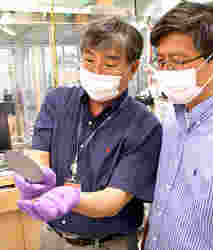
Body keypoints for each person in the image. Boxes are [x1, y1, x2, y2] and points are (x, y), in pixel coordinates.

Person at [14, 16, 162, 250]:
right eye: (89, 61)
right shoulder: (57, 101)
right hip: (53, 237)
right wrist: (35, 177)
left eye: (110, 65)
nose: (97, 71)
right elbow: (39, 155)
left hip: (108, 244)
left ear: (133, 68)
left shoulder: (144, 125)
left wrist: (71, 199)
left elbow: (112, 200)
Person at [142, 2, 213, 250]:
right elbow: (164, 198)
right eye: (162, 61)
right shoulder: (173, 116)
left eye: (178, 61)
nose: (167, 71)